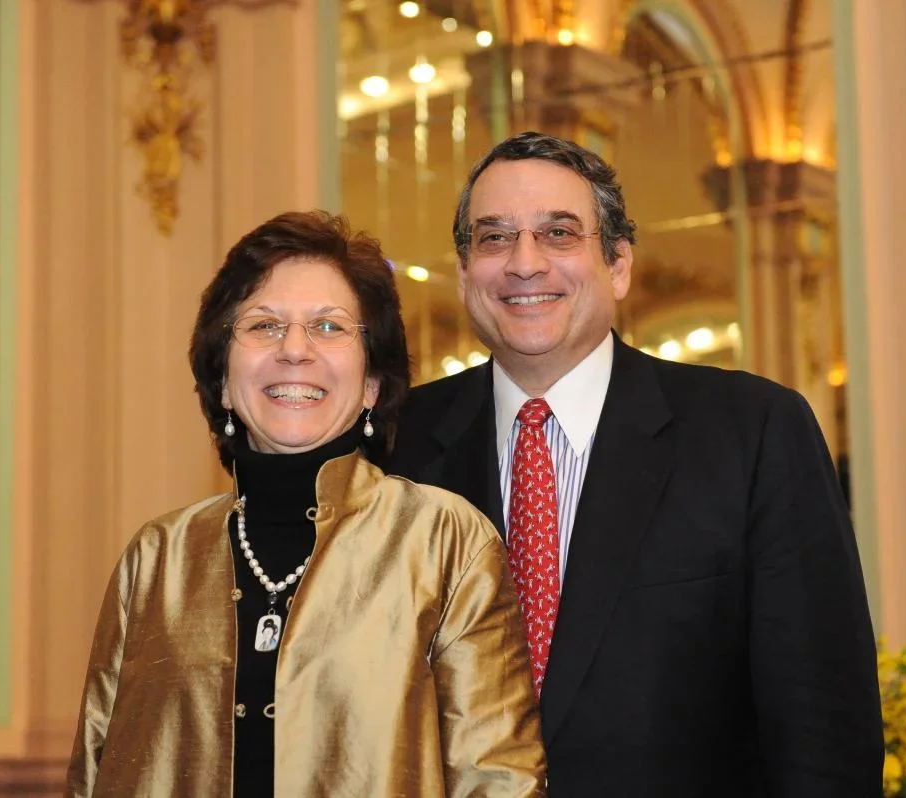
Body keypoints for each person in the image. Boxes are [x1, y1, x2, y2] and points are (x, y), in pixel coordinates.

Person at [387, 132, 884, 796]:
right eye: (494, 238)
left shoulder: (752, 432)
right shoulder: (397, 446)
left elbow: (825, 730)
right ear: (464, 273)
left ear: (619, 264)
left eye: (559, 234)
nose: (524, 263)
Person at [65, 211, 546, 797]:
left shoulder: (447, 543)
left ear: (372, 383)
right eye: (263, 325)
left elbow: (499, 782)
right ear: (221, 380)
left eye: (328, 326)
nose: (294, 350)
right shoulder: (156, 559)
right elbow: (93, 776)